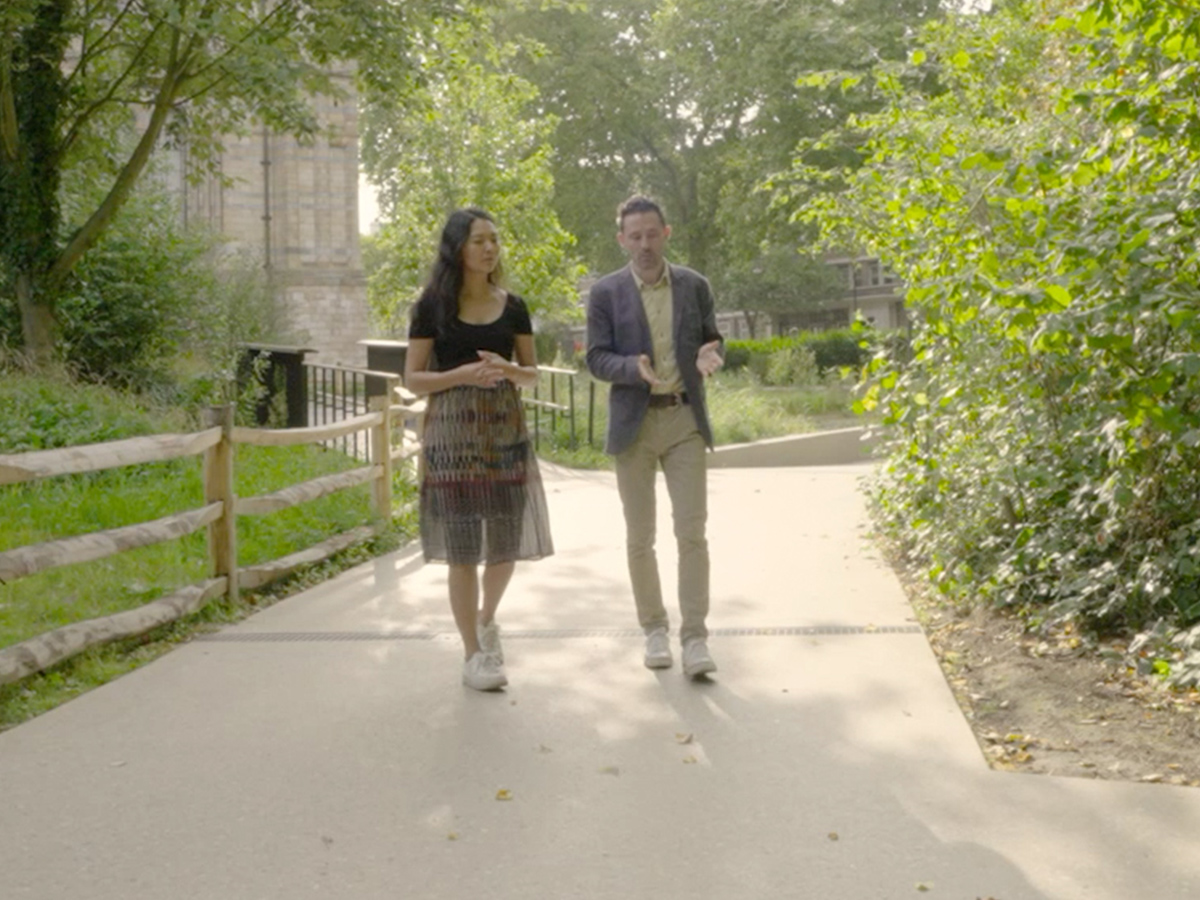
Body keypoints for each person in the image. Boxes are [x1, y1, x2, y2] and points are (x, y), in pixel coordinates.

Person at [404, 207, 554, 691]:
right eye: (478, 240)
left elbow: (531, 374)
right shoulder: (431, 306)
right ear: (458, 249)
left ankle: (487, 620)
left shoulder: (514, 306)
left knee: (505, 546)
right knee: (463, 550)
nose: (490, 248)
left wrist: (507, 370)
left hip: (504, 432)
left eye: (494, 239)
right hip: (451, 438)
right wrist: (462, 375)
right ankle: (472, 654)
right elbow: (413, 378)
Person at [586, 195, 724, 679]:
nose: (644, 244)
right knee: (640, 536)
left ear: (666, 234)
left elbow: (712, 339)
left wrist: (711, 354)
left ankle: (696, 638)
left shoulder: (694, 285)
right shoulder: (605, 293)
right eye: (635, 236)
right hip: (634, 424)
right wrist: (631, 367)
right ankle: (654, 630)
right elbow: (596, 357)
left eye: (651, 234)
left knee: (692, 532)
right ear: (622, 240)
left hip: (684, 419)